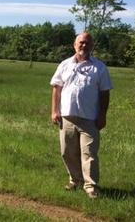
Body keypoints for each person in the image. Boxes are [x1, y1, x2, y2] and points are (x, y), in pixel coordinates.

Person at [49, 32, 113, 199]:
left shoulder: (99, 68)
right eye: (81, 43)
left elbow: (105, 93)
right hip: (67, 117)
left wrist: (102, 115)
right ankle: (75, 180)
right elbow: (57, 88)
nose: (84, 46)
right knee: (67, 152)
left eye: (87, 43)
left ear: (92, 46)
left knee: (89, 154)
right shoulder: (64, 64)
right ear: (75, 45)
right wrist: (54, 111)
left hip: (89, 119)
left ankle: (91, 187)